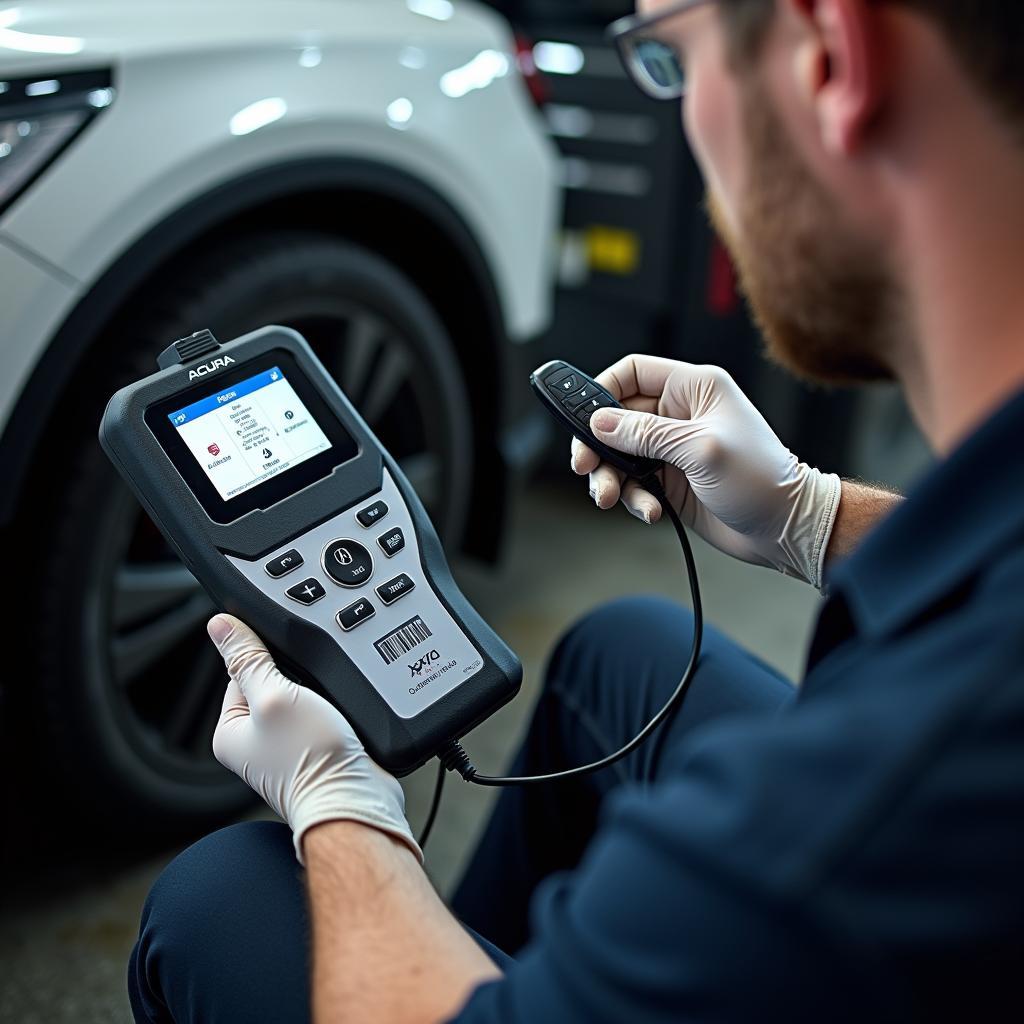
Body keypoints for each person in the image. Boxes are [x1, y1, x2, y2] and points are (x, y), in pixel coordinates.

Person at [128, 1, 1024, 1021]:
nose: (684, 113)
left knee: (216, 896)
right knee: (622, 644)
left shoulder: (855, 824)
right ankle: (478, 950)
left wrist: (339, 806)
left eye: (668, 59)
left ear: (831, 54)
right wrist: (806, 516)